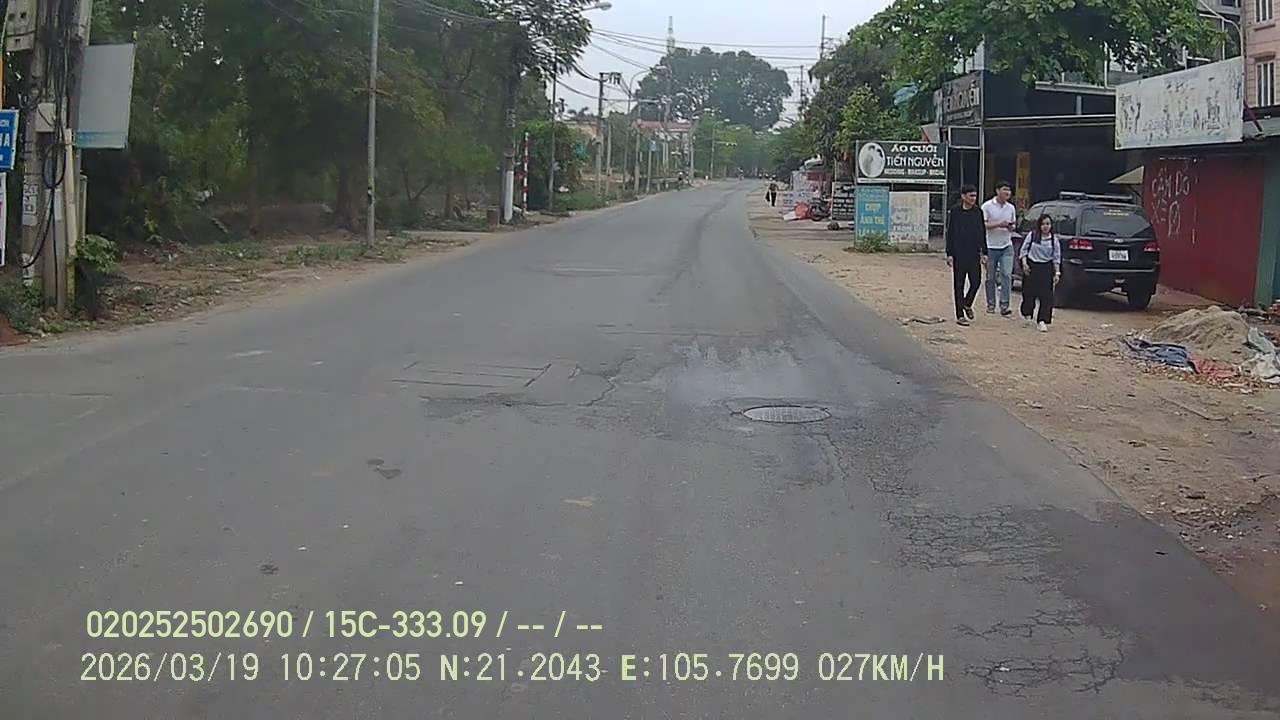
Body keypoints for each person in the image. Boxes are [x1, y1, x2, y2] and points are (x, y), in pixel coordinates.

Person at [945, 185, 985, 326]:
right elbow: (950, 233)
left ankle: (967, 303)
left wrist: (984, 252)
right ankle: (960, 315)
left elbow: (982, 232)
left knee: (976, 282)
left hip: (974, 253)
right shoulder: (955, 212)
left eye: (975, 196)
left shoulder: (978, 212)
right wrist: (949, 253)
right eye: (971, 195)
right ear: (963, 196)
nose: (973, 198)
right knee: (959, 284)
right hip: (959, 253)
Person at [1019, 213, 1062, 332]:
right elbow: (1024, 251)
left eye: (1048, 224)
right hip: (1032, 266)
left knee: (1046, 296)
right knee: (1029, 293)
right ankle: (1027, 313)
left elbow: (1056, 257)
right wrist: (1024, 264)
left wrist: (1057, 273)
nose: (1045, 226)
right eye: (1043, 224)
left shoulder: (1054, 240)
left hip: (1046, 268)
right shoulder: (1032, 236)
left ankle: (1042, 320)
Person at [982, 181, 1017, 316]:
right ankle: (991, 304)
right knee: (990, 277)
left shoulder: (1011, 208)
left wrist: (1010, 227)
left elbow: (1014, 225)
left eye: (1009, 190)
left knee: (1006, 275)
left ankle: (1004, 305)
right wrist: (998, 224)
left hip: (1006, 245)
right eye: (1004, 189)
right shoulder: (987, 206)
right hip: (990, 245)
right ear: (997, 191)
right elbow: (983, 225)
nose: (1007, 192)